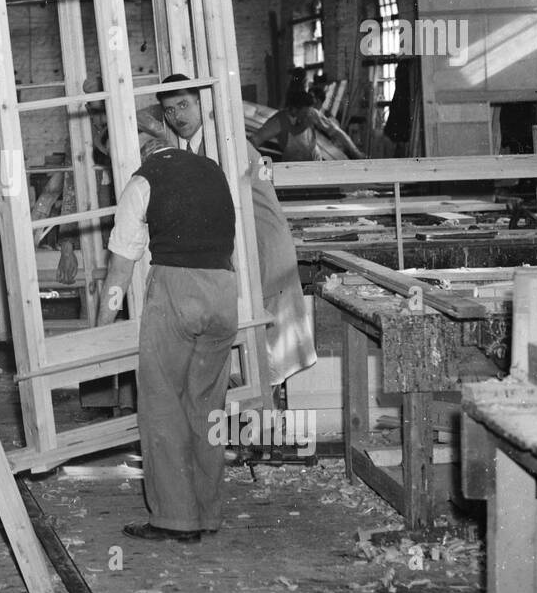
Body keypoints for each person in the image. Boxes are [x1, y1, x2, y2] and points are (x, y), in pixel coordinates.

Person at [96, 125, 239, 543]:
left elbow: (121, 270)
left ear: (133, 154)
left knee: (162, 405)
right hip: (224, 294)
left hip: (178, 292)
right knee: (207, 407)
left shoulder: (142, 181)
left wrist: (104, 325)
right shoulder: (212, 169)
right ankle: (207, 515)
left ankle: (174, 521)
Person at [142, 74, 317, 396]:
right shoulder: (192, 145)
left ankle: (264, 437)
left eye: (184, 104)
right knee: (250, 351)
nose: (178, 115)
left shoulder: (222, 142)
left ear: (201, 104)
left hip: (260, 245)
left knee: (266, 348)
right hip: (240, 247)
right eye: (169, 110)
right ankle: (256, 432)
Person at [250, 87, 363, 161]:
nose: (308, 116)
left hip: (315, 162)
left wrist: (355, 152)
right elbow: (254, 141)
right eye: (304, 113)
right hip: (291, 167)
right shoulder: (277, 122)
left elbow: (337, 132)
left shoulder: (311, 113)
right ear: (294, 110)